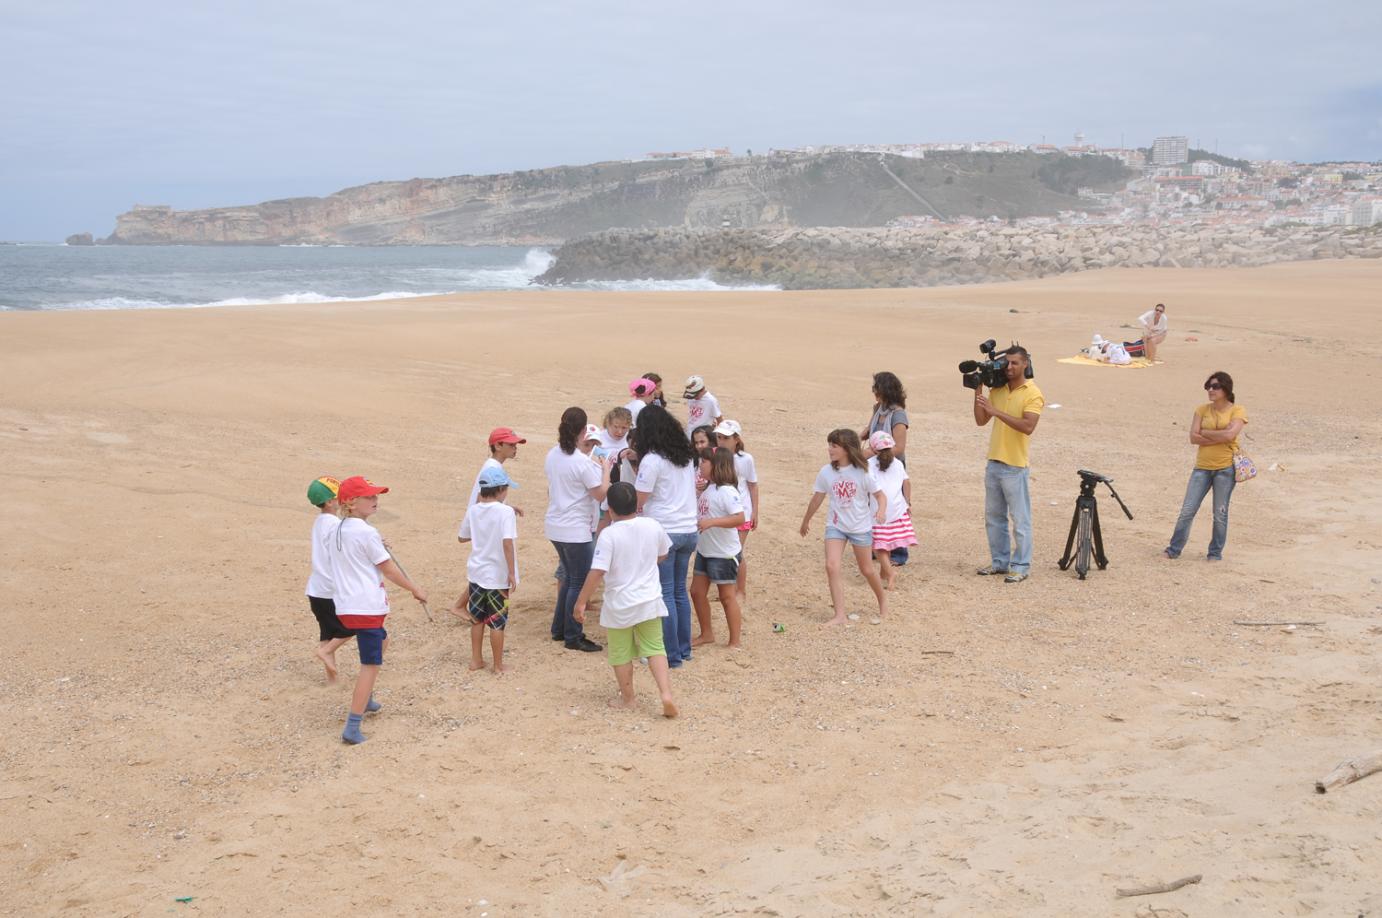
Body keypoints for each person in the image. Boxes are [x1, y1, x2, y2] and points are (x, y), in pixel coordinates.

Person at [329, 476, 428, 745]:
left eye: (375, 496)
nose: (376, 500)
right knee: (370, 665)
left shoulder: (338, 529)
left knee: (382, 640)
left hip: (347, 604)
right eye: (369, 497)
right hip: (366, 605)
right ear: (351, 502)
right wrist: (414, 589)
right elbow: (388, 569)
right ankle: (353, 724)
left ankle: (367, 698)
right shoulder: (366, 532)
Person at [573, 482, 678, 718]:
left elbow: (597, 571)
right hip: (649, 598)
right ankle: (666, 694)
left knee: (620, 653)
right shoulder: (652, 525)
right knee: (655, 647)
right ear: (637, 505)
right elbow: (663, 553)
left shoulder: (609, 534)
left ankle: (629, 699)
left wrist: (581, 601)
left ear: (610, 509)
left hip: (620, 602)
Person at [799, 429, 889, 626]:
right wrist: (806, 520)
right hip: (836, 526)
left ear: (847, 449)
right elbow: (817, 498)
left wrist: (881, 511)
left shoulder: (863, 472)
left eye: (834, 445)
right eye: (830, 444)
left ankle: (882, 600)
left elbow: (880, 496)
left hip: (860, 527)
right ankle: (839, 615)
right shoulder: (826, 472)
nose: (829, 449)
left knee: (867, 570)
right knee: (831, 566)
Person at [632, 405, 699, 667]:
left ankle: (669, 654)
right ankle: (683, 649)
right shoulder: (684, 456)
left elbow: (640, 498)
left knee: (666, 593)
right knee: (679, 592)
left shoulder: (652, 460)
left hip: (664, 531)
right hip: (687, 529)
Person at [972, 345, 1044, 584]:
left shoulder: (1033, 393)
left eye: (1015, 363)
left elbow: (1028, 426)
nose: (1010, 367)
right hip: (994, 461)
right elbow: (981, 420)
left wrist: (996, 411)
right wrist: (978, 391)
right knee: (994, 517)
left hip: (1015, 465)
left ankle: (1021, 565)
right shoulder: (998, 390)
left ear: (1025, 364)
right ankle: (1000, 562)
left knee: (1020, 519)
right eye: (1007, 363)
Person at [544, 407, 612, 652]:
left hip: (556, 524)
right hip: (575, 528)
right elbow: (600, 493)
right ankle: (572, 634)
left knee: (570, 578)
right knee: (578, 581)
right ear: (583, 431)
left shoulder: (553, 454)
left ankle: (559, 629)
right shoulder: (581, 462)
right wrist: (605, 471)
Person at [1164, 371, 1247, 561]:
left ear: (1226, 389)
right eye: (1208, 386)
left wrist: (1205, 433)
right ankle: (1173, 549)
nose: (1211, 390)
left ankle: (1215, 553)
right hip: (1202, 467)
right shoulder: (1202, 409)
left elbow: (1229, 435)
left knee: (1220, 513)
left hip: (1225, 468)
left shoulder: (1238, 410)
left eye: (1215, 386)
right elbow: (1194, 437)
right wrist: (1219, 435)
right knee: (1187, 510)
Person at [454, 466, 519, 673]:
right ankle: (498, 665)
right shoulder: (505, 512)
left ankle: (476, 660)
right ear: (501, 490)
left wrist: (483, 532)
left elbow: (462, 537)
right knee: (497, 621)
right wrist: (511, 572)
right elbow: (507, 543)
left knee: (477, 619)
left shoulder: (473, 510)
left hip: (476, 573)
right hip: (497, 576)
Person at [691, 447, 746, 648]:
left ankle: (735, 641)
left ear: (716, 465)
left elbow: (739, 518)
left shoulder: (727, 491)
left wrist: (712, 522)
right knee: (696, 592)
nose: (700, 465)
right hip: (705, 550)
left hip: (723, 554)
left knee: (726, 596)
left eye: (704, 462)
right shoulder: (709, 489)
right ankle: (707, 634)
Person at [305, 476, 354, 681]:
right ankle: (325, 653)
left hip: (315, 589)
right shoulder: (334, 524)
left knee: (326, 633)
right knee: (351, 627)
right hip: (330, 588)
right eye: (337, 497)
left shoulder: (320, 522)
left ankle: (332, 679)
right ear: (329, 502)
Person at [862, 371, 910, 566]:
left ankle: (898, 553)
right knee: (873, 504)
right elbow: (869, 430)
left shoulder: (898, 414)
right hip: (874, 466)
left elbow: (898, 448)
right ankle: (879, 548)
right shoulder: (878, 409)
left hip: (891, 466)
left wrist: (871, 452)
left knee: (894, 507)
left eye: (877, 389)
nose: (874, 392)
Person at [714, 420, 759, 601]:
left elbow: (752, 485)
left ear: (736, 439)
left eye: (726, 438)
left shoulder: (745, 459)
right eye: (719, 437)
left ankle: (740, 590)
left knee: (735, 552)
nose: (721, 441)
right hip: (722, 511)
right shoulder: (714, 456)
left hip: (741, 511)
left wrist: (755, 511)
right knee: (723, 551)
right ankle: (728, 589)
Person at [867, 432, 917, 590]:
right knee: (887, 542)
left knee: (878, 545)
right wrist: (907, 502)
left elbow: (867, 486)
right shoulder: (898, 463)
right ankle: (883, 573)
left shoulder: (869, 464)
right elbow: (907, 483)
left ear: (874, 449)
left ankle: (889, 573)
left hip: (878, 510)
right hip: (897, 508)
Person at [468, 427, 526, 510]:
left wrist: (507, 508)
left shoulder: (494, 465)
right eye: (511, 444)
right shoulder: (492, 469)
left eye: (515, 445)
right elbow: (481, 502)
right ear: (498, 446)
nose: (515, 448)